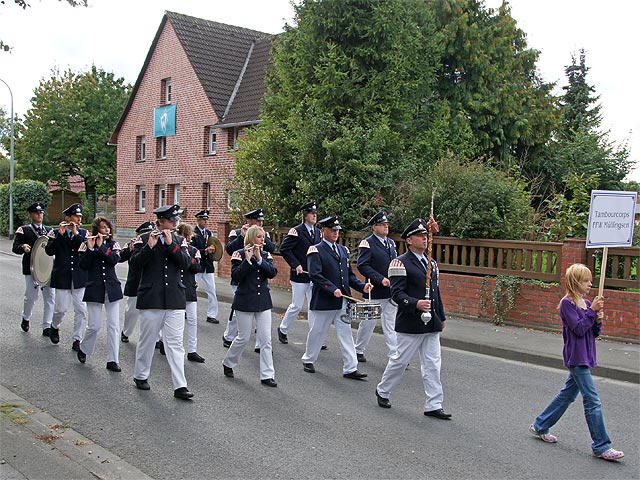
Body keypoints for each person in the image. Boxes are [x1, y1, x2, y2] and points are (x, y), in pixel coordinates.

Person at [529, 263, 624, 461]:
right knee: (593, 400)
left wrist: (598, 319)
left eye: (590, 280)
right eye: (586, 281)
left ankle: (540, 425)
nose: (590, 284)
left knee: (567, 396)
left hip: (586, 356)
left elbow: (592, 332)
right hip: (576, 357)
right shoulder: (567, 304)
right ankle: (601, 445)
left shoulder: (588, 303)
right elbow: (578, 329)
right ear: (575, 282)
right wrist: (592, 313)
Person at [375, 218, 451, 420]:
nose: (424, 239)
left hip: (431, 322)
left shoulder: (431, 263)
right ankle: (383, 390)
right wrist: (415, 303)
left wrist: (441, 316)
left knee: (433, 364)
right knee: (399, 361)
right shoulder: (399, 262)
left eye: (426, 236)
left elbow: (436, 293)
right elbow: (397, 294)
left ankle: (434, 404)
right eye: (420, 236)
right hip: (410, 322)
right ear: (409, 240)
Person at [130, 204, 194, 400]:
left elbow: (186, 263)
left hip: (174, 297)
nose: (175, 223)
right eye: (171, 220)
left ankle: (180, 385)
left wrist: (171, 245)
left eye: (176, 220)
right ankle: (141, 375)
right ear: (160, 222)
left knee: (175, 343)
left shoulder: (179, 240)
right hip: (152, 298)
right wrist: (149, 247)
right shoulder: (144, 238)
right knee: (148, 340)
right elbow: (134, 264)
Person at [301, 216, 372, 379]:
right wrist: (332, 289)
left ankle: (351, 368)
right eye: (332, 230)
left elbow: (349, 276)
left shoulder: (342, 250)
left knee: (346, 333)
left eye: (337, 230)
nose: (335, 232)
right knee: (318, 331)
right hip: (325, 299)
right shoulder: (315, 250)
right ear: (323, 231)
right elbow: (315, 275)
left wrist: (362, 286)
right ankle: (308, 359)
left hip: (342, 301)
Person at [223, 225, 278, 387]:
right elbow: (236, 277)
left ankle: (267, 375)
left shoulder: (266, 255)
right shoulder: (238, 254)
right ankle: (228, 362)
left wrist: (259, 258)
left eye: (263, 237)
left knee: (266, 339)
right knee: (243, 337)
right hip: (245, 301)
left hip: (263, 302)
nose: (263, 240)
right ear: (252, 237)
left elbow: (272, 273)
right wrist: (247, 260)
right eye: (259, 237)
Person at [223, 208, 276, 350]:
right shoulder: (236, 232)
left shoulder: (263, 234)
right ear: (249, 221)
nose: (260, 222)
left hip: (258, 277)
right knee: (238, 312)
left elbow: (271, 248)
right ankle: (229, 336)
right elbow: (229, 249)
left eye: (261, 221)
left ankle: (260, 344)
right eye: (257, 220)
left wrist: (262, 238)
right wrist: (243, 236)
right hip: (241, 277)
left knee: (261, 315)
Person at [76, 217, 123, 372]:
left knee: (113, 325)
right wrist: (90, 249)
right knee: (95, 325)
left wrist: (101, 246)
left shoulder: (112, 244)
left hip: (112, 288)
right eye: (103, 228)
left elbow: (114, 260)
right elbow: (83, 265)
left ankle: (113, 360)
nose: (107, 230)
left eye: (108, 227)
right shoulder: (85, 244)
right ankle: (84, 348)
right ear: (97, 230)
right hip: (94, 288)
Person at [355, 211, 398, 362]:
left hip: (390, 292)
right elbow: (362, 265)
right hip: (374, 291)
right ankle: (358, 349)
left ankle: (394, 355)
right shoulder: (367, 243)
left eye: (387, 224)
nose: (386, 227)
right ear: (374, 227)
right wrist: (380, 279)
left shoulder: (391, 243)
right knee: (368, 323)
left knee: (391, 324)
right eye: (382, 224)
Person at [45, 203, 88, 350]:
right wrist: (60, 235)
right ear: (68, 217)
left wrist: (75, 234)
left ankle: (77, 339)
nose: (78, 219)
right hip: (62, 276)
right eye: (76, 216)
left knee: (81, 309)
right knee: (61, 309)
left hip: (79, 276)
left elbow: (84, 249)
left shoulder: (83, 233)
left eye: (80, 217)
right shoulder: (55, 232)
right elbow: (49, 251)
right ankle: (54, 326)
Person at [277, 201, 321, 344]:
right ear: (305, 215)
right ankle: (283, 328)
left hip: (313, 275)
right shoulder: (296, 231)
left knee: (314, 306)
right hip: (299, 275)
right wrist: (296, 264)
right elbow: (284, 249)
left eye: (315, 213)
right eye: (312, 213)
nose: (314, 216)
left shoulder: (318, 232)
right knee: (296, 305)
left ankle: (314, 338)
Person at [12, 202, 55, 335]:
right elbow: (15, 247)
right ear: (31, 215)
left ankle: (47, 325)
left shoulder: (50, 231)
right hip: (31, 268)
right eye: (36, 213)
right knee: (31, 296)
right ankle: (26, 317)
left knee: (50, 297)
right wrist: (23, 247)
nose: (39, 215)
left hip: (47, 268)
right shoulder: (24, 230)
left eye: (41, 212)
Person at [118, 221, 154, 343]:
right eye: (144, 233)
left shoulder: (155, 244)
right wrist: (129, 249)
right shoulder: (132, 243)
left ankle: (157, 338)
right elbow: (120, 258)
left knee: (153, 312)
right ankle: (126, 332)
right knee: (132, 311)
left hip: (150, 283)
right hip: (136, 283)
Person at [177, 223, 206, 363]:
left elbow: (196, 267)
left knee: (193, 320)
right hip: (176, 288)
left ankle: (192, 350)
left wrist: (187, 255)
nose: (186, 238)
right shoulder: (174, 249)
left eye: (187, 236)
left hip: (189, 287)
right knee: (175, 320)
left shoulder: (193, 250)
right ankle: (164, 342)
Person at [191, 208, 219, 324]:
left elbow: (214, 247)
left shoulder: (209, 233)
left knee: (212, 290)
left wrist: (213, 250)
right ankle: (188, 311)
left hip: (208, 266)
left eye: (206, 220)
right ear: (198, 220)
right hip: (197, 267)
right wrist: (205, 251)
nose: (205, 222)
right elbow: (193, 250)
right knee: (192, 289)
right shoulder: (193, 233)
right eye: (203, 220)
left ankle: (211, 315)